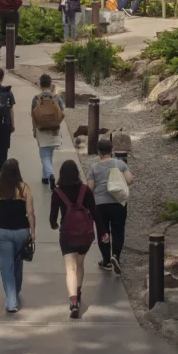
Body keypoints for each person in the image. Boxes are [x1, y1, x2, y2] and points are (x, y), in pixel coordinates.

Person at [0, 158, 35, 314]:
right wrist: (33, 232)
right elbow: (30, 212)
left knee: (6, 265)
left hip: (2, 230)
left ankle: (11, 301)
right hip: (21, 231)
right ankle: (16, 290)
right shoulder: (25, 188)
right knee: (18, 262)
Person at [50, 159, 97, 319]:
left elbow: (52, 216)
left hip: (67, 235)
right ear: (77, 173)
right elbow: (95, 212)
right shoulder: (85, 190)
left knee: (70, 268)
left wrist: (54, 225)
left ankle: (74, 302)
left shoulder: (58, 192)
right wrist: (104, 232)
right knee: (80, 264)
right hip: (84, 235)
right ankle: (78, 290)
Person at [88, 134, 132, 274]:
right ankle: (116, 256)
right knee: (118, 230)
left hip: (100, 205)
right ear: (112, 150)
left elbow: (89, 188)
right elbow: (130, 180)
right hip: (118, 202)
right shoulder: (120, 164)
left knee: (104, 231)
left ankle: (106, 260)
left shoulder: (94, 168)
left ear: (99, 152)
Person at [31, 73, 66, 186]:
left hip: (41, 129)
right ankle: (45, 177)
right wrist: (57, 124)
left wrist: (34, 130)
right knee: (49, 153)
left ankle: (50, 174)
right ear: (51, 84)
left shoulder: (36, 98)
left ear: (40, 85)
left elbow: (33, 116)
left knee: (44, 154)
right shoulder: (56, 98)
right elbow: (63, 114)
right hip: (54, 129)